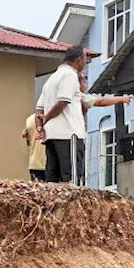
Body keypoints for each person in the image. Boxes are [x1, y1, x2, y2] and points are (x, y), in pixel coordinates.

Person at [35, 46, 88, 184]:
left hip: (51, 136)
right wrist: (47, 117)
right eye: (85, 59)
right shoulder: (70, 75)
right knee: (71, 180)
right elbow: (63, 100)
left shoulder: (52, 78)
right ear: (78, 60)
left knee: (53, 181)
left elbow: (39, 108)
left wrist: (40, 126)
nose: (85, 62)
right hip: (69, 134)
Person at [21, 113, 46, 182]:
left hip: (34, 163)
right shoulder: (54, 117)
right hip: (52, 163)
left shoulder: (29, 119)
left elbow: (29, 142)